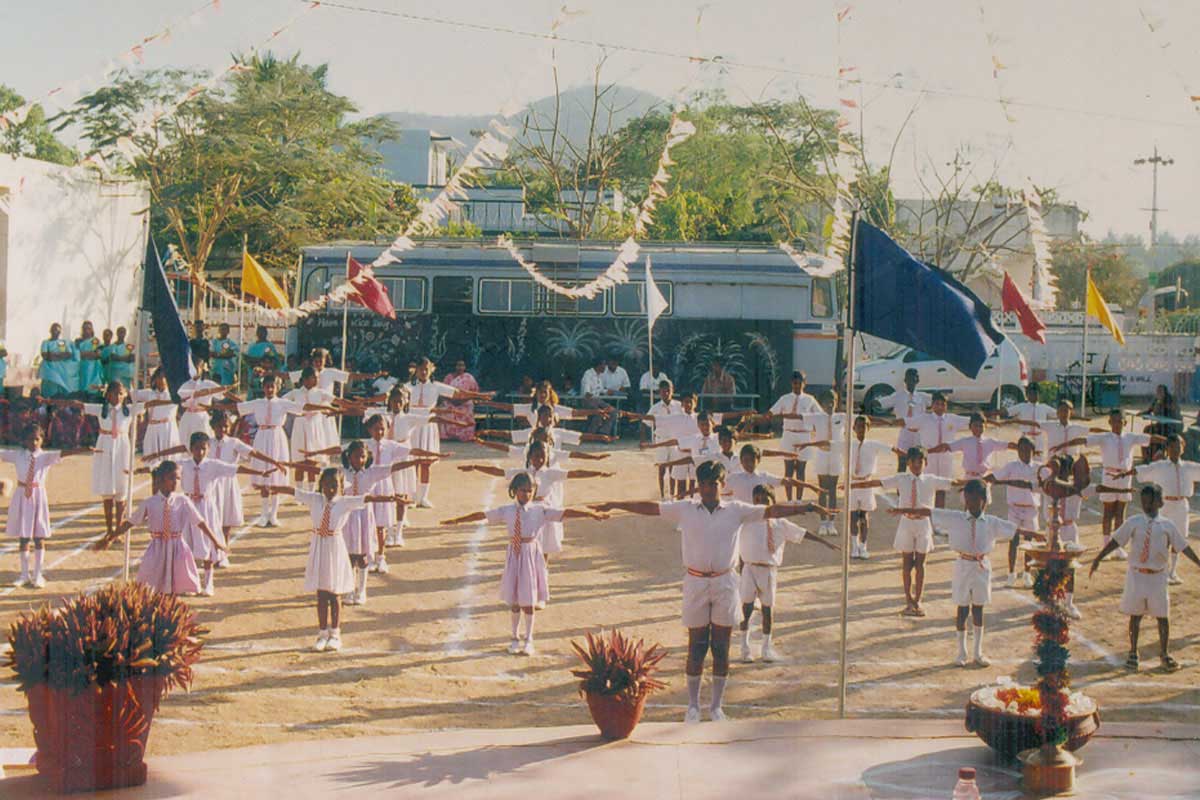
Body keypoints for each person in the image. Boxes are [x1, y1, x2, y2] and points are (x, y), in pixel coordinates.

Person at [589, 460, 826, 723]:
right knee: (697, 645)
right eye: (703, 484)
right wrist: (616, 504)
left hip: (725, 583)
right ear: (697, 486)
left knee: (721, 647)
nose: (708, 488)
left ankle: (716, 707)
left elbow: (770, 510)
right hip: (695, 583)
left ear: (722, 485)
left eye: (713, 483)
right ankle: (692, 706)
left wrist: (805, 506)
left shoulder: (736, 510)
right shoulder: (685, 508)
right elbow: (650, 508)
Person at [442, 472, 609, 656]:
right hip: (514, 554)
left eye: (530, 491)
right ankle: (514, 638)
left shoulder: (540, 510)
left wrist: (591, 514)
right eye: (523, 491)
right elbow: (482, 515)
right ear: (514, 491)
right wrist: (458, 520)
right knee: (514, 600)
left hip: (531, 554)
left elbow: (565, 512)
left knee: (528, 600)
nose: (527, 494)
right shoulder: (506, 511)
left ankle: (529, 639)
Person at [1089, 484, 1200, 672]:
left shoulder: (1168, 525)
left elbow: (1183, 546)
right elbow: (1117, 540)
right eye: (1144, 501)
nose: (1146, 504)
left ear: (1159, 501)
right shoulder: (1134, 522)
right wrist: (1098, 558)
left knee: (1162, 616)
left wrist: (1198, 562)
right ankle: (1133, 652)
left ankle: (1164, 654)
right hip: (1137, 575)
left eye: (1150, 500)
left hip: (1158, 577)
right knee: (1135, 615)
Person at [458, 439, 612, 564]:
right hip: (527, 512)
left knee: (544, 546)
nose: (539, 459)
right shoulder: (523, 473)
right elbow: (499, 472)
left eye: (542, 456)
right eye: (535, 456)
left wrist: (599, 473)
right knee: (528, 544)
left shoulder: (551, 473)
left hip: (544, 512)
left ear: (547, 457)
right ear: (529, 456)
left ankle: (542, 572)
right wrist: (475, 467)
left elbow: (576, 473)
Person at [269, 469, 365, 652]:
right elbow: (294, 491)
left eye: (334, 486)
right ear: (321, 485)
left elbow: (367, 499)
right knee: (321, 593)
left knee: (334, 593)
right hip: (319, 547)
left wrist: (391, 499)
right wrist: (275, 488)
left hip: (335, 547)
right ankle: (322, 633)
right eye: (327, 485)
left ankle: (335, 634)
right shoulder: (315, 499)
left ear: (341, 487)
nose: (330, 489)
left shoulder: (344, 502)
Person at [738, 484, 837, 662]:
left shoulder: (781, 523)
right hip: (750, 568)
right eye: (757, 499)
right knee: (746, 608)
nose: (761, 503)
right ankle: (744, 647)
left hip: (769, 570)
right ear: (753, 501)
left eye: (765, 499)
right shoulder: (747, 519)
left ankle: (766, 648)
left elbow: (802, 533)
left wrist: (824, 542)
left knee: (768, 609)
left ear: (773, 502)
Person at [854, 447, 955, 617]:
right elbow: (877, 483)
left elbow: (955, 482)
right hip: (907, 523)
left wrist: (982, 481)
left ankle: (919, 600)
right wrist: (853, 485)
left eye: (920, 461)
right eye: (913, 461)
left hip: (923, 524)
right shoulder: (901, 479)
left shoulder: (931, 480)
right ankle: (908, 600)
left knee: (921, 564)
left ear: (926, 463)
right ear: (907, 463)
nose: (917, 465)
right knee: (907, 564)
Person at [930, 480, 1019, 666]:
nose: (970, 505)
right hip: (962, 565)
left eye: (974, 501)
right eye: (967, 501)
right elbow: (928, 512)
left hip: (981, 567)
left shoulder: (992, 522)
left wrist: (1036, 535)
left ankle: (978, 652)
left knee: (978, 608)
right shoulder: (956, 518)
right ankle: (961, 653)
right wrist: (904, 511)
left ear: (984, 500)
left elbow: (1015, 531)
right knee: (962, 608)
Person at [178, 432, 270, 596]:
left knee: (208, 544)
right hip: (188, 506)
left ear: (208, 449)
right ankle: (192, 583)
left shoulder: (213, 465)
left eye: (203, 449)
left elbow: (236, 468)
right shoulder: (184, 464)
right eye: (196, 448)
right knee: (188, 545)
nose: (200, 452)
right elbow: (164, 467)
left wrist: (259, 473)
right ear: (191, 449)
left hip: (206, 507)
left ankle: (208, 583)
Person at [50, 381, 141, 546]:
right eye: (113, 393)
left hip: (122, 447)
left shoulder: (129, 411)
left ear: (125, 395)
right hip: (105, 446)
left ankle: (118, 529)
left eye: (120, 393)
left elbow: (149, 404)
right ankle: (109, 528)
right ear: (107, 395)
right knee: (107, 489)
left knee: (122, 489)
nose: (117, 397)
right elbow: (77, 404)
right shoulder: (101, 410)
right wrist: (51, 402)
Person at [2, 425, 89, 588]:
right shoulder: (17, 455)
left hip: (38, 497)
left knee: (39, 536)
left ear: (42, 440)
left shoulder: (45, 457)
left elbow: (63, 453)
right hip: (21, 496)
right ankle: (24, 574)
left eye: (37, 439)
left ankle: (37, 574)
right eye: (30, 439)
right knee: (23, 537)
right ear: (24, 440)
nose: (34, 442)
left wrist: (83, 449)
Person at [117, 460, 220, 596]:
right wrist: (109, 537)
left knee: (177, 583)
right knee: (153, 582)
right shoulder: (150, 503)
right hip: (157, 548)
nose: (175, 482)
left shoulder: (182, 500)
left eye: (177, 478)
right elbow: (130, 523)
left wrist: (215, 541)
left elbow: (200, 522)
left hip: (178, 548)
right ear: (162, 479)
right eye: (171, 478)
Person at [408, 356, 493, 508]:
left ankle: (423, 497)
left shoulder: (436, 386)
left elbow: (458, 393)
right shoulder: (407, 386)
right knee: (413, 462)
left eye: (426, 369)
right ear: (416, 371)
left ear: (431, 370)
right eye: (421, 369)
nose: (423, 372)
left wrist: (478, 396)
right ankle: (413, 497)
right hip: (412, 427)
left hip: (428, 427)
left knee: (426, 463)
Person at [1078, 410, 1159, 558]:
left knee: (1121, 513)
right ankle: (1106, 545)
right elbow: (1084, 440)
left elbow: (1150, 438)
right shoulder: (1105, 437)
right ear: (1109, 423)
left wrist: (1170, 440)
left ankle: (1118, 546)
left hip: (1125, 477)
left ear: (1125, 423)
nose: (1117, 424)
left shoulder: (1130, 437)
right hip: (1109, 476)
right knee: (1108, 512)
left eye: (1120, 421)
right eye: (1114, 421)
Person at [237, 374, 304, 527]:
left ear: (277, 388)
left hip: (277, 438)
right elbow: (238, 408)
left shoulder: (283, 403)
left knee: (276, 476)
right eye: (267, 386)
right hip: (262, 437)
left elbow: (302, 408)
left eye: (272, 386)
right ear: (263, 388)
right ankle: (263, 513)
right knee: (263, 475)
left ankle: (273, 514)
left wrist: (328, 407)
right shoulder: (257, 403)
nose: (269, 389)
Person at [1136, 433, 1200, 584]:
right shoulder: (1160, 466)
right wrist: (1128, 473)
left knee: (1179, 538)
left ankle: (1172, 571)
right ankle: (1161, 570)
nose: (1175, 449)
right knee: (1162, 537)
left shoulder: (1190, 467)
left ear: (1183, 448)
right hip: (1164, 505)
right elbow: (1144, 469)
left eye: (1178, 446)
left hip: (1182, 505)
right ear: (1167, 449)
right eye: (1172, 446)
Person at [990, 437, 1044, 587]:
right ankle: (1011, 573)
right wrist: (981, 481)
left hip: (1031, 509)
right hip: (1014, 508)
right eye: (1021, 450)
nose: (1024, 453)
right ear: (1017, 451)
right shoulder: (1011, 466)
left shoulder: (1040, 468)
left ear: (1033, 451)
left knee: (1029, 542)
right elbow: (995, 477)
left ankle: (1027, 573)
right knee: (1013, 541)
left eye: (1028, 450)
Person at [765, 371, 821, 500]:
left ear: (804, 384)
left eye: (800, 383)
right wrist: (767, 415)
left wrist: (810, 422)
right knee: (788, 470)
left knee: (801, 470)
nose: (797, 386)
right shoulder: (785, 398)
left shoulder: (810, 399)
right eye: (795, 383)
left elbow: (820, 415)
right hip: (789, 435)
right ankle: (790, 500)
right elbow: (772, 411)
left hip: (803, 436)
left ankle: (799, 499)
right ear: (791, 383)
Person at [798, 389, 847, 537]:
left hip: (835, 456)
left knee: (832, 490)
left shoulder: (842, 417)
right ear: (822, 403)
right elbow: (796, 416)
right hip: (821, 455)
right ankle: (823, 522)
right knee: (822, 489)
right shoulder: (817, 417)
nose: (830, 403)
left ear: (837, 402)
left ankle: (831, 523)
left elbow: (865, 419)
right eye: (827, 401)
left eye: (833, 400)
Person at [846, 416, 894, 560]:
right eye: (858, 426)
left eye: (864, 426)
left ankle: (863, 546)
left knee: (864, 516)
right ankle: (854, 547)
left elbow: (892, 449)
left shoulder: (874, 444)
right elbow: (829, 444)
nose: (861, 429)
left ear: (868, 428)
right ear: (853, 428)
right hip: (852, 483)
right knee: (853, 516)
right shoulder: (848, 444)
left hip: (867, 483)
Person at [877, 368, 931, 472]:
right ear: (905, 380)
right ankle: (900, 488)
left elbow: (940, 402)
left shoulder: (923, 397)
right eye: (910, 378)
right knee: (902, 465)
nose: (912, 380)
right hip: (905, 433)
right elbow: (881, 403)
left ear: (918, 380)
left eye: (915, 378)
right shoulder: (897, 396)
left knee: (919, 465)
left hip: (919, 435)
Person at [135, 368, 181, 468]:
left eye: (165, 377)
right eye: (159, 377)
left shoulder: (175, 394)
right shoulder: (149, 393)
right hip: (153, 428)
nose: (162, 380)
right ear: (155, 379)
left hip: (168, 429)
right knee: (152, 460)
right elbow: (132, 394)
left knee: (169, 459)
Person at [1005, 383, 1056, 463]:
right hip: (1025, 438)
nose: (1033, 395)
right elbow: (1007, 412)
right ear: (1027, 395)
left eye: (1035, 393)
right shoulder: (1021, 406)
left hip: (1039, 438)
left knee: (1039, 461)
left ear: (1039, 394)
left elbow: (1059, 414)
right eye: (1030, 393)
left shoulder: (1044, 407)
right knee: (1023, 460)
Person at [177, 360, 226, 443]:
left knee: (203, 439)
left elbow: (222, 395)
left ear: (202, 368)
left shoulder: (208, 383)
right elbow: (181, 398)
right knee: (185, 440)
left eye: (197, 368)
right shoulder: (185, 384)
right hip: (188, 416)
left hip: (201, 416)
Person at [440, 358, 480, 442]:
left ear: (465, 367)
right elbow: (443, 392)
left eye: (462, 365)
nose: (460, 367)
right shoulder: (448, 378)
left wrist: (463, 400)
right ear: (455, 366)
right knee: (446, 410)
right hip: (451, 402)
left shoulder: (469, 377)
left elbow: (475, 392)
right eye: (458, 365)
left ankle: (465, 436)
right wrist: (453, 401)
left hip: (465, 403)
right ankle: (448, 436)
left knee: (467, 411)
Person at [1143, 384, 1182, 463]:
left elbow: (1175, 411)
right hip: (1161, 424)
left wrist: (1162, 403)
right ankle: (1147, 456)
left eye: (1160, 391)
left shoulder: (1171, 399)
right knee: (1147, 430)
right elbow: (1149, 410)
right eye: (1157, 391)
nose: (1158, 393)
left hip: (1173, 425)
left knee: (1162, 432)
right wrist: (1144, 413)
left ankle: (1160, 453)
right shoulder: (1156, 399)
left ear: (1165, 392)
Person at [38, 323, 76, 398]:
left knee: (61, 393)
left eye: (58, 330)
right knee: (49, 392)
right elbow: (46, 356)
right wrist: (60, 355)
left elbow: (68, 354)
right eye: (54, 330)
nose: (56, 332)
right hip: (49, 371)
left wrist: (53, 355)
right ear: (50, 331)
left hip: (61, 371)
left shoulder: (62, 342)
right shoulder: (46, 342)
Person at [579, 356, 614, 435]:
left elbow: (600, 389)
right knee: (599, 412)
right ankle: (590, 435)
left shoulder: (599, 376)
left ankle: (603, 433)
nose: (606, 367)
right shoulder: (588, 374)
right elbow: (586, 393)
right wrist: (596, 405)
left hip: (597, 400)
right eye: (604, 365)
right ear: (598, 365)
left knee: (613, 411)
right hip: (587, 401)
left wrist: (607, 392)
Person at [244, 326, 282, 398]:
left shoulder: (269, 346)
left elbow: (273, 360)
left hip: (266, 375)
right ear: (256, 333)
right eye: (259, 332)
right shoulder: (252, 346)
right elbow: (248, 360)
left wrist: (260, 362)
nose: (261, 334)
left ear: (266, 333)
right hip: (253, 375)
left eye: (263, 332)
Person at [75, 321, 105, 397]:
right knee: (82, 394)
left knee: (93, 393)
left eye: (88, 328)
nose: (86, 330)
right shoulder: (78, 341)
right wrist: (91, 353)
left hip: (93, 372)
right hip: (81, 371)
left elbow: (98, 355)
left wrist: (83, 354)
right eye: (84, 328)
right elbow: (76, 355)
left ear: (92, 330)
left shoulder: (95, 341)